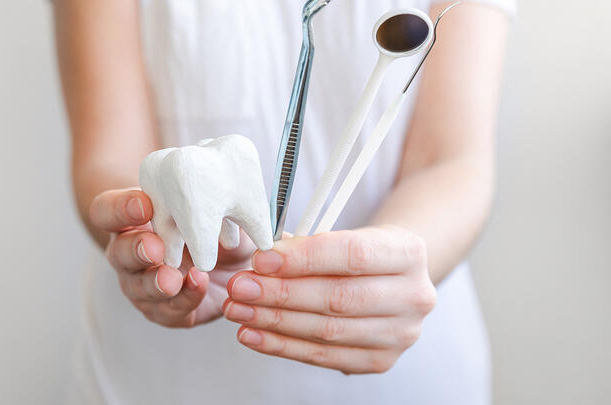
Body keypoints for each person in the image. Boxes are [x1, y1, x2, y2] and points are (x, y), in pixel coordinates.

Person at [53, 0, 514, 403]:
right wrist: (151, 235)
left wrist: (386, 267)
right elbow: (107, 154)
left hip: (404, 372)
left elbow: (451, 161)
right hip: (155, 378)